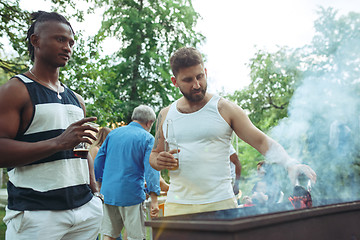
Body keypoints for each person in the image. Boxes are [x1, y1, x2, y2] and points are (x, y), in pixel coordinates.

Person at [149, 47, 317, 216]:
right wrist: (158, 160)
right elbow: (154, 155)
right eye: (188, 80)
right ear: (174, 81)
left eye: (200, 76)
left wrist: (289, 163)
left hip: (220, 205)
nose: (197, 85)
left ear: (205, 72)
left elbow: (261, 141)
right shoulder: (165, 114)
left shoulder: (224, 109)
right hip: (177, 206)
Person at [0, 11, 103, 239]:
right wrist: (58, 142)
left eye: (70, 42)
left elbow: (80, 150)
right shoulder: (15, 90)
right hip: (38, 215)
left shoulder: (77, 100)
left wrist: (95, 193)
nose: (68, 47)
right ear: (35, 40)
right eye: (60, 39)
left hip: (85, 212)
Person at [94, 105, 160, 240]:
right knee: (135, 237)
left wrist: (99, 183)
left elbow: (98, 161)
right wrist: (154, 199)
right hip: (132, 194)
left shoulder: (113, 134)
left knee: (109, 235)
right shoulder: (147, 138)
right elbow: (151, 169)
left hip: (109, 192)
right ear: (149, 123)